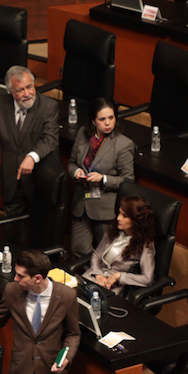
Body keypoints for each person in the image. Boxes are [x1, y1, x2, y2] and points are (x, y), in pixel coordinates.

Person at [0, 249, 80, 374]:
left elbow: (73, 334)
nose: (15, 279)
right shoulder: (12, 290)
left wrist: (66, 357)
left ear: (37, 278)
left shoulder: (67, 296)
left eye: (20, 276)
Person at [0, 66, 59, 216]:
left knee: (38, 231)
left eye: (29, 87)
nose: (27, 94)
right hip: (12, 181)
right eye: (20, 90)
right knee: (12, 232)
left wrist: (32, 157)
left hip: (38, 182)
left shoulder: (49, 107)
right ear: (11, 91)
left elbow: (49, 139)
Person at [68, 98, 134, 258]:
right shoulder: (83, 134)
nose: (107, 123)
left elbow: (128, 181)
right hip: (81, 204)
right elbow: (71, 163)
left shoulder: (123, 144)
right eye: (102, 119)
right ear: (93, 121)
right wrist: (76, 172)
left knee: (104, 254)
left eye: (111, 118)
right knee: (79, 248)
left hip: (105, 209)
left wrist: (103, 178)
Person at [82, 196, 155, 296]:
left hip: (112, 289)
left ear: (136, 220)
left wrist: (119, 276)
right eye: (119, 213)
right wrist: (98, 274)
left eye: (124, 216)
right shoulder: (113, 231)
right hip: (92, 278)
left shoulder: (145, 246)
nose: (118, 218)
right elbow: (96, 255)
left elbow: (147, 279)